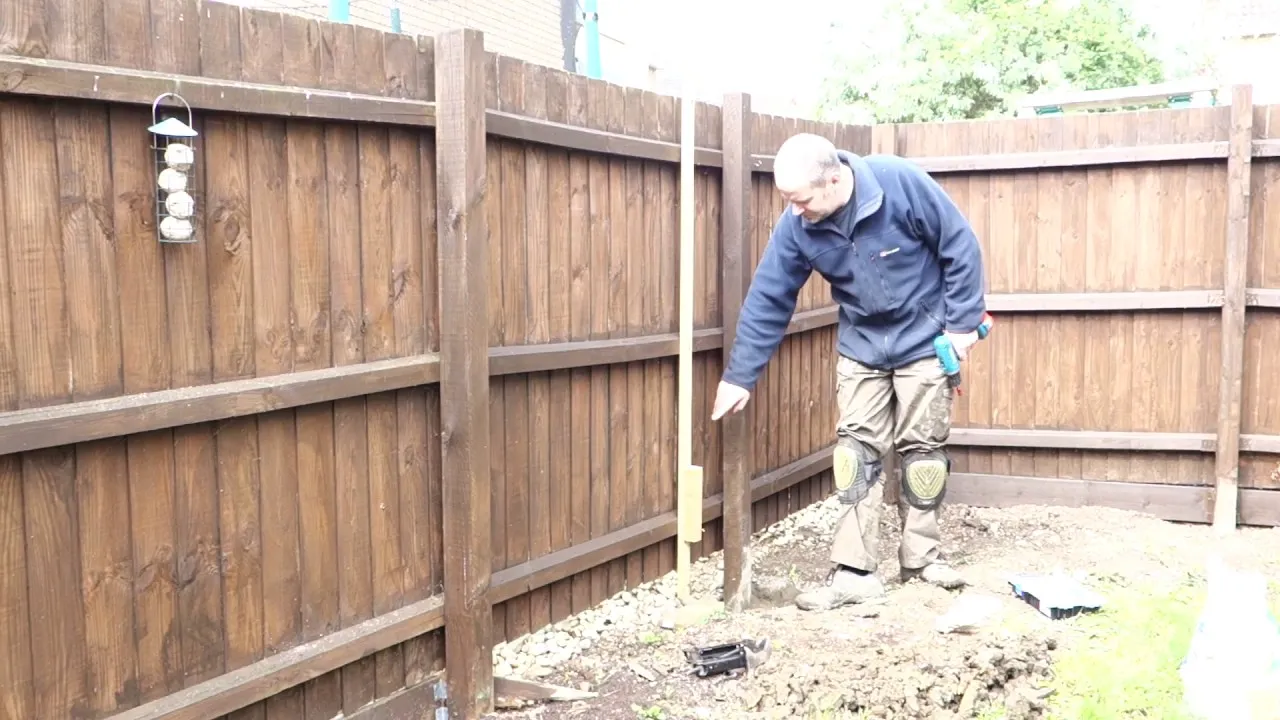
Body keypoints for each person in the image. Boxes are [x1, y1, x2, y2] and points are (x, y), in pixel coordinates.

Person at [710, 132, 987, 611]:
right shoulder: (797, 225)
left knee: (923, 453)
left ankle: (922, 561)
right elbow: (769, 298)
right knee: (855, 456)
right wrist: (739, 376)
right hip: (862, 345)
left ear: (834, 180)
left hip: (924, 339)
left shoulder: (898, 183)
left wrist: (962, 324)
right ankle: (855, 573)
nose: (795, 210)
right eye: (788, 200)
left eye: (801, 199)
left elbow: (959, 246)